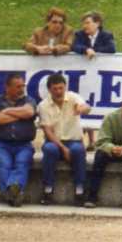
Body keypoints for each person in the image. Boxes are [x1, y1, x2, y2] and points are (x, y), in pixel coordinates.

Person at [36, 72, 90, 204]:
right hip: (54, 142)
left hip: (74, 140)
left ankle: (80, 190)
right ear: (49, 89)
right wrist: (63, 148)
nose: (59, 91)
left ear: (65, 87)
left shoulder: (73, 97)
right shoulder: (43, 105)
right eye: (55, 89)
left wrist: (82, 109)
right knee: (49, 150)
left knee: (78, 150)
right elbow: (48, 131)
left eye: (61, 88)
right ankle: (48, 189)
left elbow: (87, 107)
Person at [0, 71, 37, 207]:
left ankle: (11, 193)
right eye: (18, 86)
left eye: (22, 86)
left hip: (24, 144)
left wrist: (6, 111)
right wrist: (19, 115)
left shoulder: (29, 100)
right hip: (2, 143)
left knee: (23, 162)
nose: (21, 89)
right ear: (7, 87)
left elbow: (29, 112)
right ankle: (15, 192)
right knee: (3, 164)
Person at [87, 91, 122, 209]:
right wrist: (112, 148)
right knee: (99, 156)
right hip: (110, 150)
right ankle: (92, 196)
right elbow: (102, 141)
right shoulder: (110, 117)